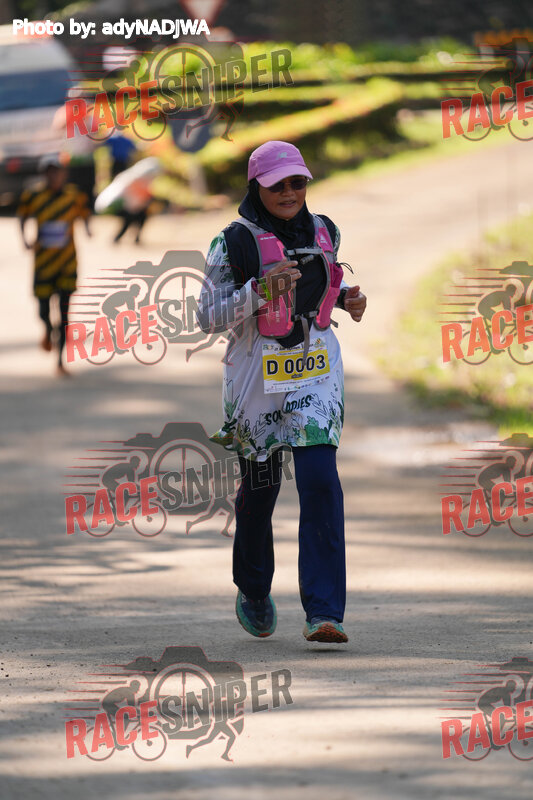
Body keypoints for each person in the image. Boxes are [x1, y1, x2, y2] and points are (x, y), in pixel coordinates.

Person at [198, 141, 367, 643]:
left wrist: (348, 299)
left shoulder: (324, 231)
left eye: (298, 183)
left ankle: (325, 612)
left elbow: (321, 287)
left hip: (316, 371)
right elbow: (207, 316)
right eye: (278, 186)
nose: (290, 193)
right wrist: (258, 292)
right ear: (257, 188)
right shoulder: (231, 243)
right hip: (257, 378)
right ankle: (253, 588)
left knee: (321, 480)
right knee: (261, 488)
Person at [17, 155, 91, 376]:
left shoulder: (73, 195)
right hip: (43, 263)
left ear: (63, 174)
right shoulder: (33, 195)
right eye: (50, 172)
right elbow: (22, 216)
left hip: (67, 263)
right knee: (43, 310)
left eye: (57, 172)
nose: (54, 176)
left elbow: (85, 214)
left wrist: (88, 228)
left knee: (65, 313)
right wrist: (25, 239)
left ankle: (60, 361)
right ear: (44, 174)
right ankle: (48, 329)